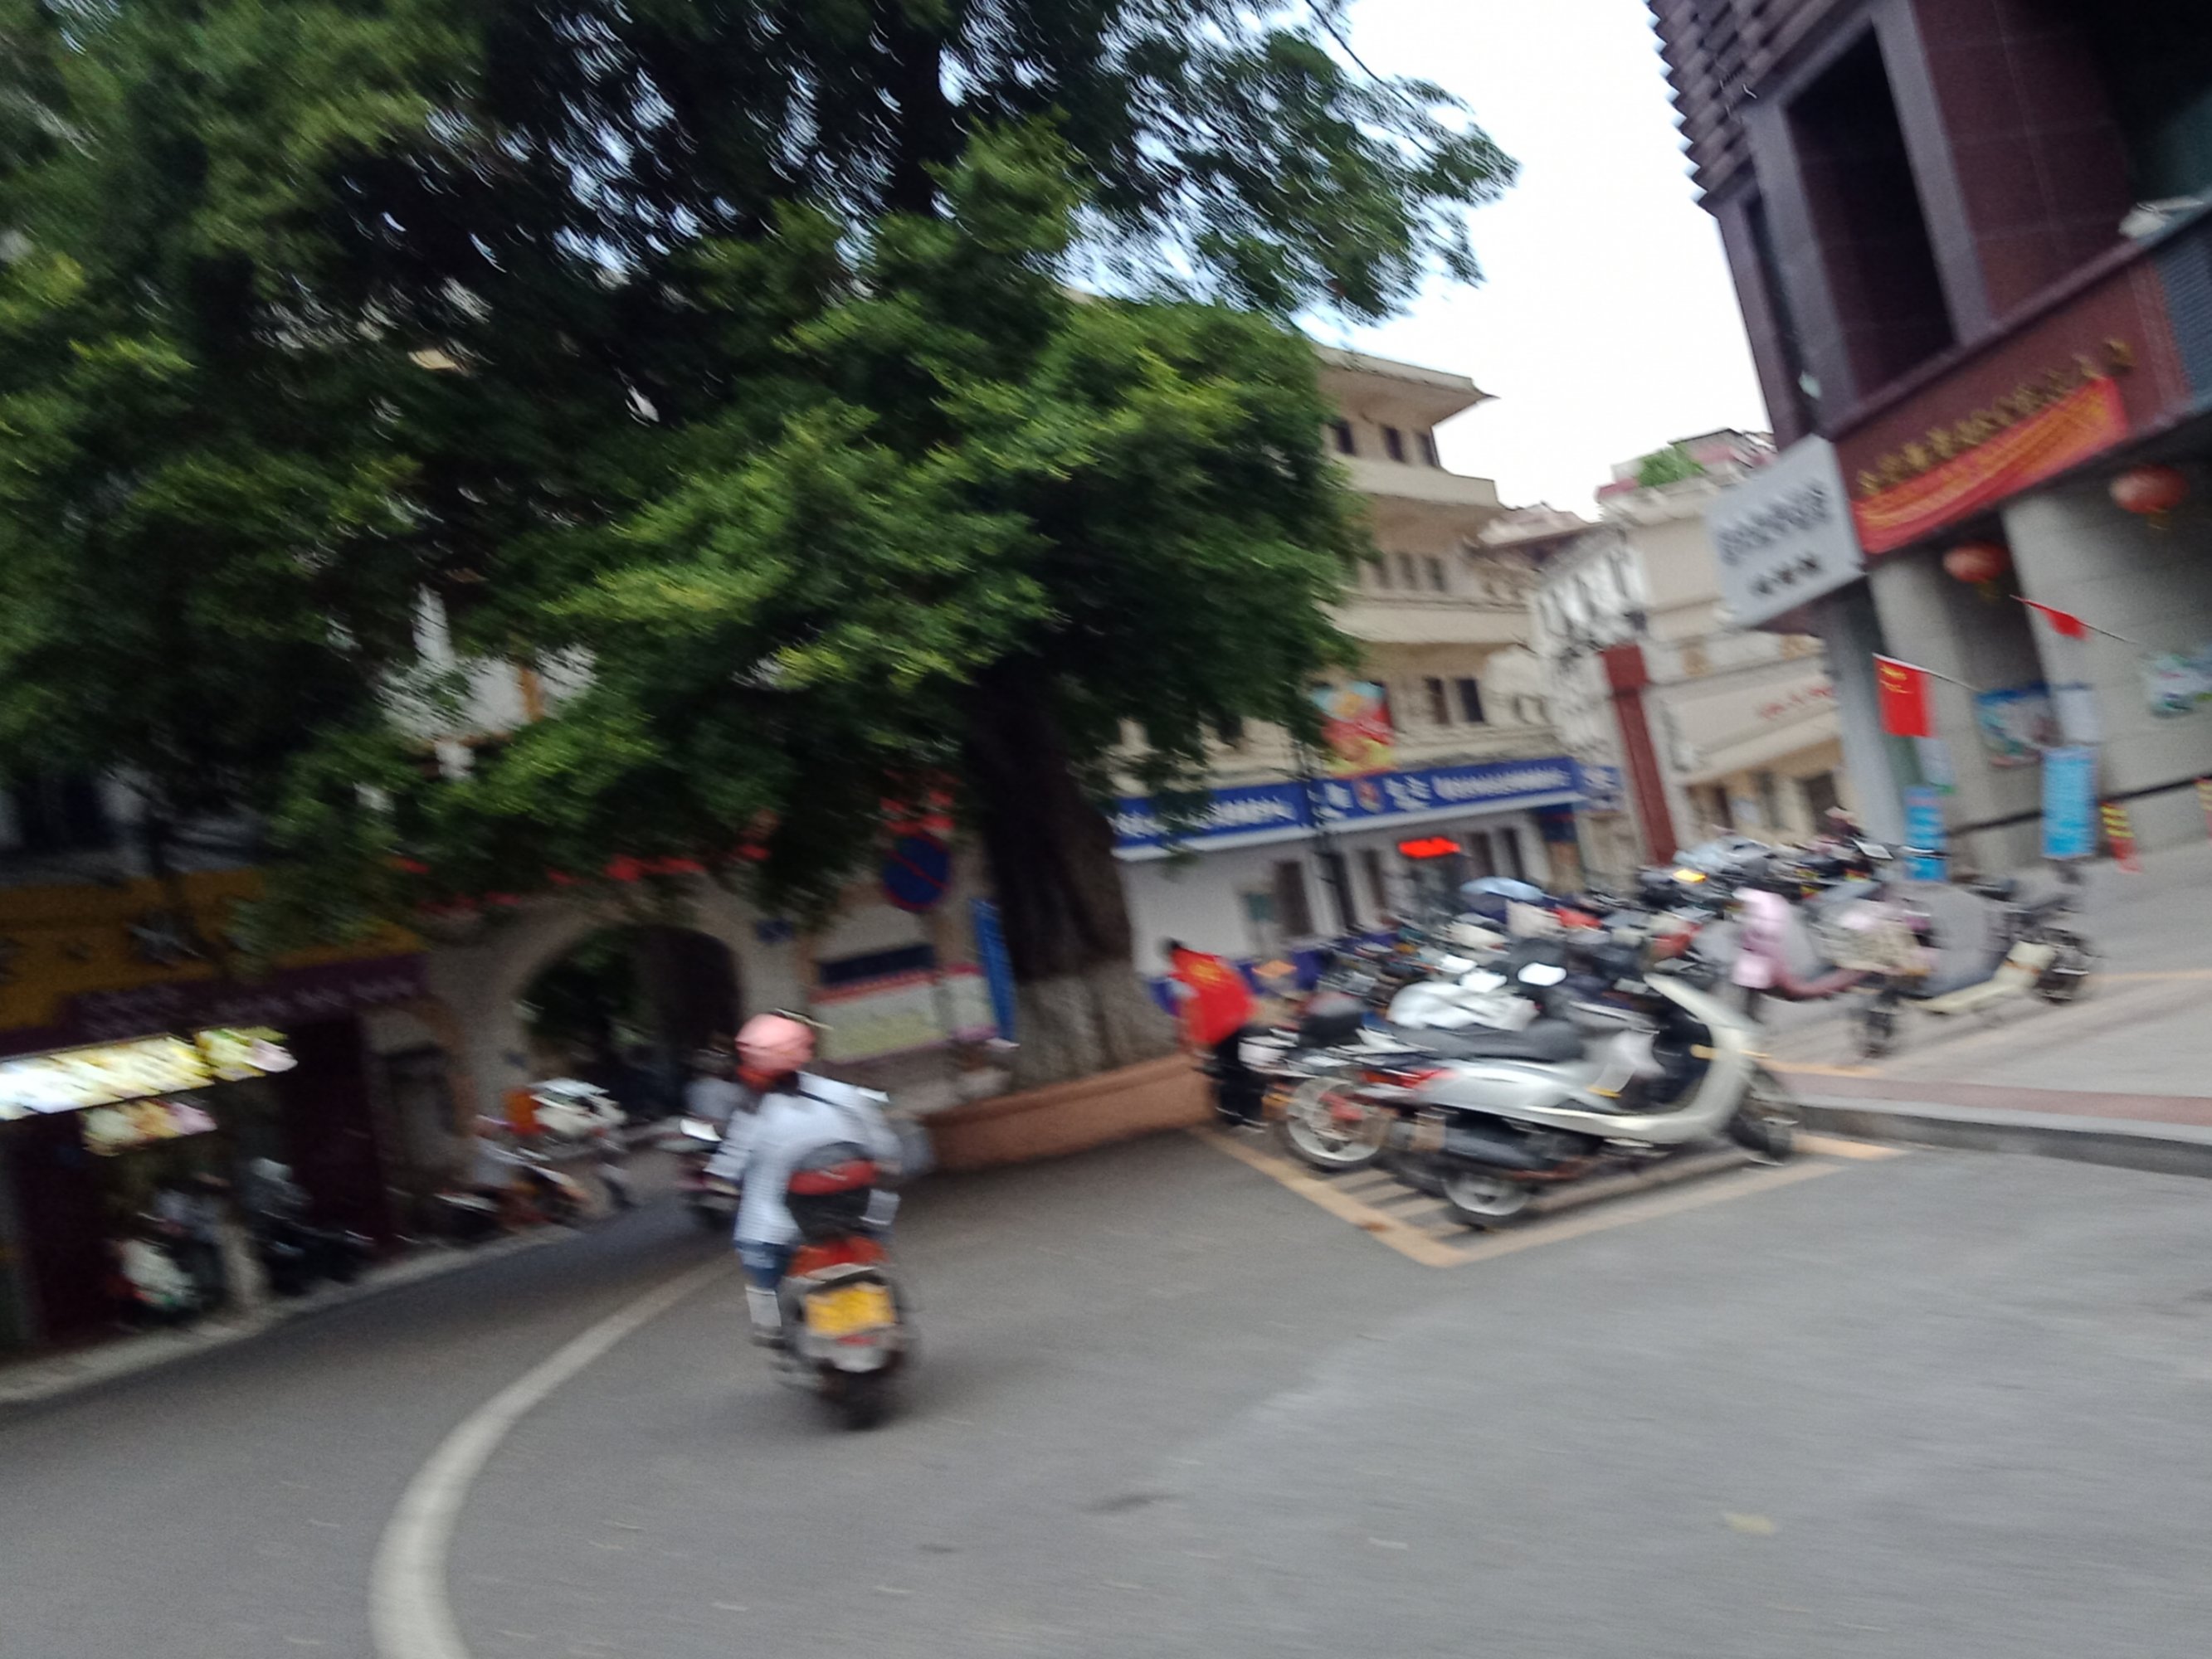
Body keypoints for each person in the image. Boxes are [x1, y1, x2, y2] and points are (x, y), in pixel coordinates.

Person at [704, 1014, 901, 1345]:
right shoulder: (843, 1094)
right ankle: (889, 1303)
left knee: (757, 1254)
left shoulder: (753, 1114)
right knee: (879, 1241)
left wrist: (720, 1185)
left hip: (783, 1227)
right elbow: (885, 1149)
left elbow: (729, 1168)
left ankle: (771, 1326)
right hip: (862, 1213)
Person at [1162, 938, 1261, 1126]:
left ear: (1170, 955)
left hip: (1216, 1027)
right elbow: (1238, 983)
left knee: (1230, 1069)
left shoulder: (1179, 974)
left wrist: (1185, 1037)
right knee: (1241, 1065)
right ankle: (1253, 1109)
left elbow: (1184, 1007)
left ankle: (1239, 1115)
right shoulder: (1214, 960)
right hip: (1238, 1019)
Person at [683, 1047, 749, 1132]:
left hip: (699, 1129)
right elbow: (750, 1104)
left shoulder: (691, 1087)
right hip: (718, 1132)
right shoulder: (725, 1089)